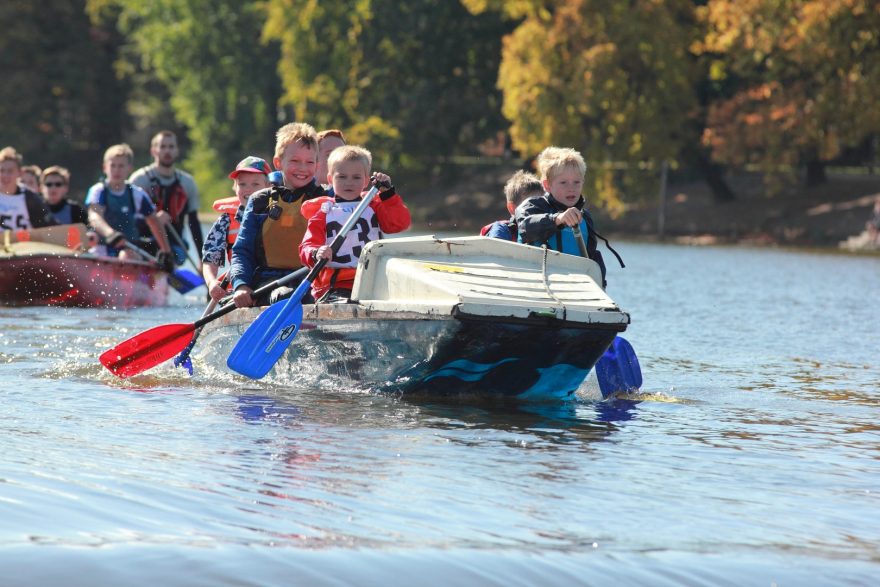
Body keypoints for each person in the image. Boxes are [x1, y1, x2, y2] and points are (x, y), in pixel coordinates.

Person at [228, 122, 327, 308]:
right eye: (295, 161)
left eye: (309, 162)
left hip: (312, 281)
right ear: (278, 163)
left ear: (317, 165)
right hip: (268, 284)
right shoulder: (259, 201)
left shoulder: (326, 199)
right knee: (285, 296)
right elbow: (242, 251)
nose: (303, 168)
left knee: (303, 297)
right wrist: (241, 285)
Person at [299, 145, 410, 303]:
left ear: (366, 181)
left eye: (356, 177)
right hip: (336, 284)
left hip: (373, 278)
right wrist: (316, 252)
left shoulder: (374, 204)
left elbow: (399, 224)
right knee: (346, 299)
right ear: (330, 179)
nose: (348, 183)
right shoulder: (323, 213)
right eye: (342, 177)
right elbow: (306, 246)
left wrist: (388, 194)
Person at [515, 146, 608, 287]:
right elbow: (525, 228)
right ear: (547, 185)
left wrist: (600, 285)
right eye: (563, 182)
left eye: (576, 182)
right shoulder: (532, 206)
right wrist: (557, 219)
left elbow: (591, 256)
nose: (571, 188)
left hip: (573, 287)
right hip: (535, 283)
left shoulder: (585, 217)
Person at [85, 143, 174, 269]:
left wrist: (166, 252)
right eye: (113, 166)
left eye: (121, 166)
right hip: (102, 248)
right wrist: (110, 234)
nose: (116, 170)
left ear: (129, 168)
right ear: (105, 168)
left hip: (129, 250)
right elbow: (94, 216)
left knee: (126, 255)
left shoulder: (136, 194)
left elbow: (154, 222)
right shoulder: (98, 190)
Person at [201, 156, 271, 302]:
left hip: (272, 284)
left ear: (268, 187)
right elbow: (210, 257)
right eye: (242, 184)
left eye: (255, 184)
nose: (248, 190)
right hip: (238, 289)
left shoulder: (279, 213)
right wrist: (212, 283)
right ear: (235, 188)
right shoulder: (226, 221)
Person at [129, 130, 203, 263]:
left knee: (174, 256)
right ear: (154, 151)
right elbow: (128, 217)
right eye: (162, 147)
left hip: (175, 247)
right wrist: (154, 220)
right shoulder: (139, 180)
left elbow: (194, 224)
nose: (167, 151)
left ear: (177, 151)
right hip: (142, 244)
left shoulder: (187, 183)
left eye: (171, 147)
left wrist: (202, 259)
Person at [0, 146, 58, 230]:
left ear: (20, 173)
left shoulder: (29, 198)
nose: (5, 175)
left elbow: (50, 227)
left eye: (10, 171)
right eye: (2, 171)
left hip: (24, 242)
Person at [481, 170, 544, 241]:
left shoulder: (548, 230)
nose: (538, 210)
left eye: (541, 205)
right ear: (512, 208)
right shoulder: (501, 230)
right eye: (530, 206)